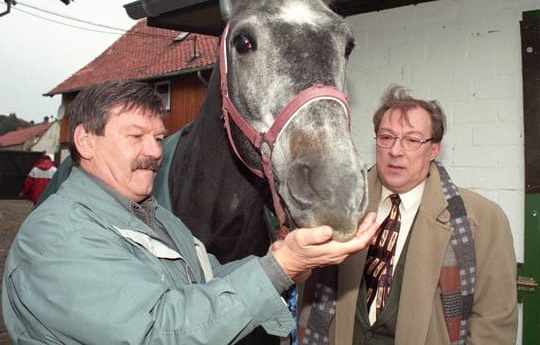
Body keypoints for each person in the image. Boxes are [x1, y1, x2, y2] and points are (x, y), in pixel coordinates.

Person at [2, 80, 380, 344]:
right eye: (136, 136)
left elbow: (206, 279)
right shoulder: (60, 238)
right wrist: (277, 269)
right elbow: (156, 332)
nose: (153, 151)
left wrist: (289, 263)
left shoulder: (152, 215)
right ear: (85, 140)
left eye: (156, 137)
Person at [330, 86, 518, 344]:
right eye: (386, 137)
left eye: (412, 140)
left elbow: (494, 323)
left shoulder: (482, 220)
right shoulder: (341, 206)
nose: (395, 151)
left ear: (433, 150)